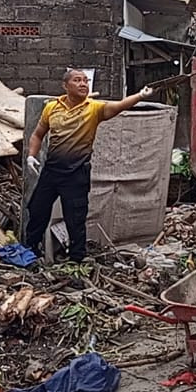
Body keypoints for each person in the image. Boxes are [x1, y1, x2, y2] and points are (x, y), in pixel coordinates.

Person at [24, 70, 152, 263]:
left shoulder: (94, 108)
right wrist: (31, 156)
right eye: (77, 81)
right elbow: (38, 134)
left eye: (85, 81)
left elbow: (118, 106)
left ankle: (76, 260)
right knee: (37, 210)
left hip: (76, 173)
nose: (83, 84)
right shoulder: (51, 108)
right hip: (51, 171)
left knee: (75, 218)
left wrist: (140, 95)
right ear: (65, 86)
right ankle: (30, 251)